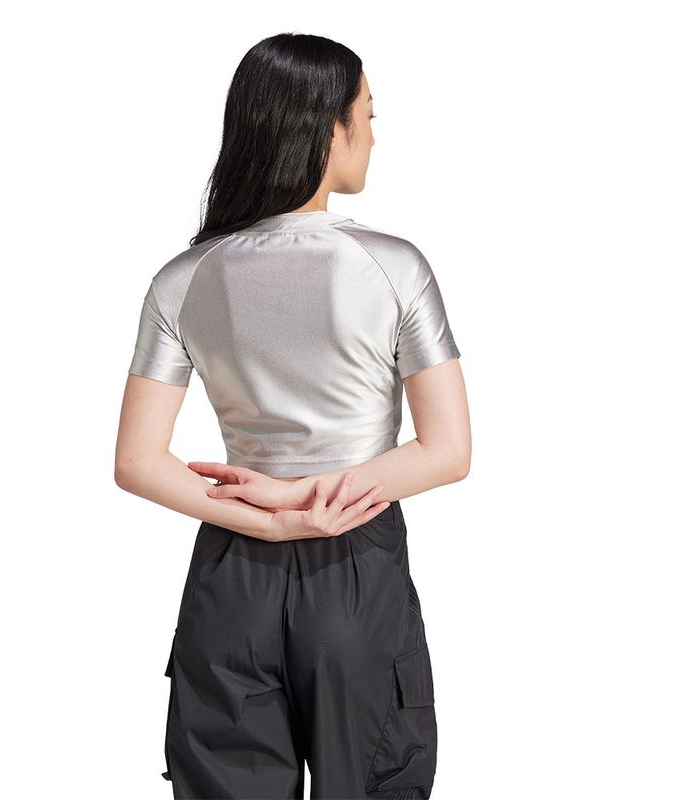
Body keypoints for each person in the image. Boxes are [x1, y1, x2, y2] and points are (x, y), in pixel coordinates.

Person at [115, 32, 471, 800]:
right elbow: (447, 450)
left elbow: (137, 462)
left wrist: (272, 516)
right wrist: (310, 505)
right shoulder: (395, 266)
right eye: (367, 114)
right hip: (356, 559)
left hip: (229, 568)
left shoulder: (184, 277)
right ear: (328, 128)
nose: (373, 132)